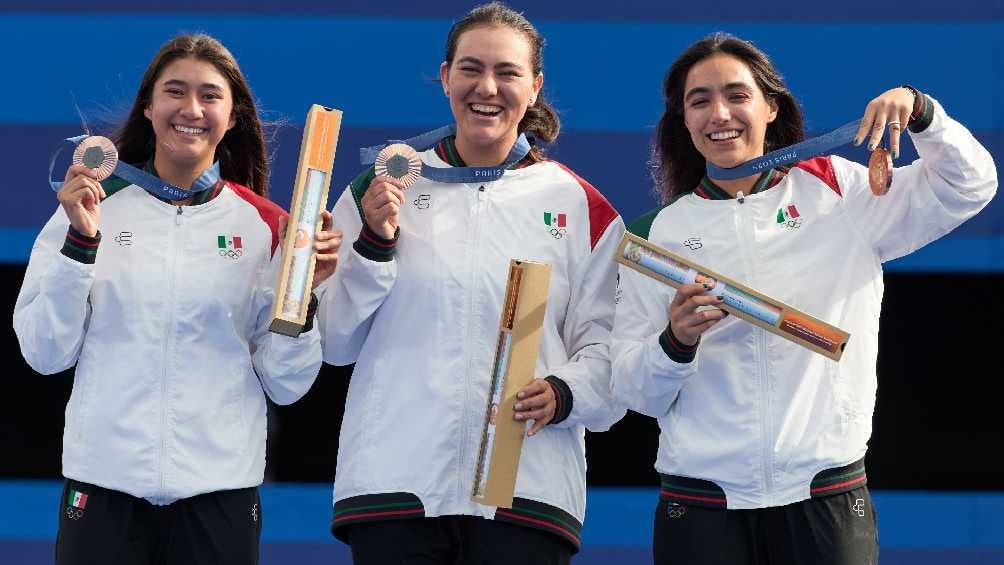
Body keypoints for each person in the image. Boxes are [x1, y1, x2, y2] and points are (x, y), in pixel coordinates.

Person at [611, 33, 997, 565]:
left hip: (826, 493)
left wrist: (923, 111)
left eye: (736, 95)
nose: (719, 113)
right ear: (682, 119)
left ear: (771, 106)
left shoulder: (837, 191)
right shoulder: (655, 237)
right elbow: (636, 391)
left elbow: (968, 187)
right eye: (699, 101)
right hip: (701, 504)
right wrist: (674, 342)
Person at [14, 33, 341, 565]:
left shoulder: (268, 227)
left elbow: (288, 383)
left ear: (232, 116)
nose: (191, 109)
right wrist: (81, 245)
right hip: (103, 486)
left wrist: (300, 303)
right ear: (149, 106)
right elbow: (44, 352)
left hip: (219, 493)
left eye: (211, 95)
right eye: (175, 91)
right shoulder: (92, 207)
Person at [317, 3, 624, 563]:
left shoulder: (580, 206)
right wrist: (375, 245)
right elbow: (334, 341)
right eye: (470, 68)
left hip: (526, 490)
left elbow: (609, 349)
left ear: (535, 86)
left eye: (507, 72)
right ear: (445, 77)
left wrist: (564, 392)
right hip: (396, 485)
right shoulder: (381, 187)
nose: (488, 87)